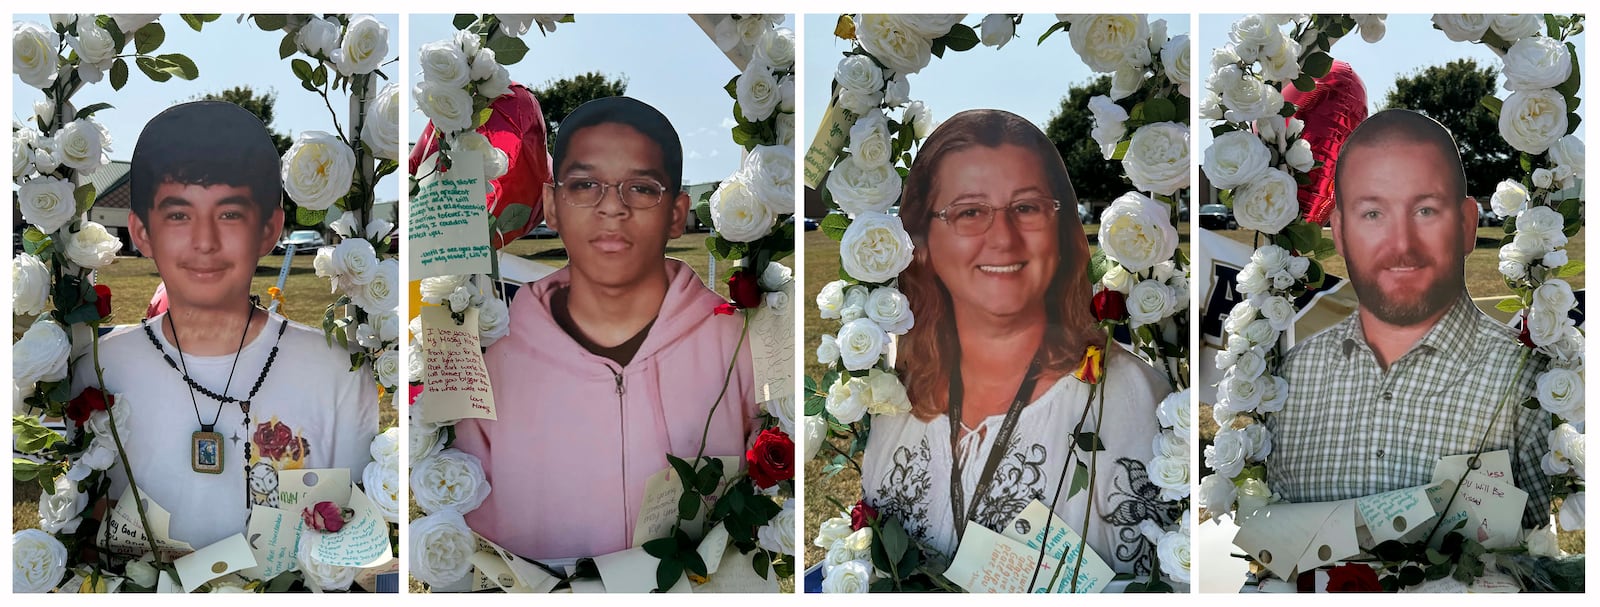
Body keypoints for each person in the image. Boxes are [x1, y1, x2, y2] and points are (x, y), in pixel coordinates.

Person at [860, 109, 1174, 575]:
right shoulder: (893, 390)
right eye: (969, 212)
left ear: (1060, 228)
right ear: (920, 240)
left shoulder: (1127, 398)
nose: (1003, 238)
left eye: (1026, 208)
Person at [453, 96, 756, 562]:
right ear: (551, 204)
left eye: (641, 188)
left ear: (677, 212)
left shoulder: (739, 345)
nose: (612, 208)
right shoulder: (490, 355)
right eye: (585, 184)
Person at [75, 101, 377, 549]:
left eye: (230, 214)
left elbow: (351, 546)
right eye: (178, 215)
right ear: (141, 232)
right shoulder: (99, 370)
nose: (205, 242)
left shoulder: (340, 372)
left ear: (269, 230)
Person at [1265, 109, 1550, 528]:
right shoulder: (1289, 381)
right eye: (1373, 214)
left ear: (1468, 224)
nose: (1401, 244)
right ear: (1340, 232)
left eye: (1426, 211)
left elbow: (1542, 566)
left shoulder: (1528, 386)